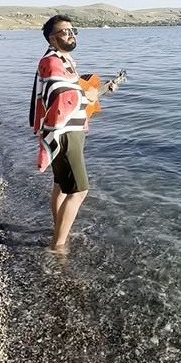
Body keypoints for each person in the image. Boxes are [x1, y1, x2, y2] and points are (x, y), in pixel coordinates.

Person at [31, 15, 117, 254]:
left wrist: (99, 91)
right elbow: (60, 95)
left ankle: (58, 228)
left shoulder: (64, 60)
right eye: (64, 31)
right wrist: (87, 96)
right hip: (65, 130)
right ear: (51, 38)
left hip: (64, 129)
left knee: (61, 184)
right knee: (79, 191)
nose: (71, 34)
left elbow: (72, 90)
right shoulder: (51, 62)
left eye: (73, 30)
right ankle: (58, 247)